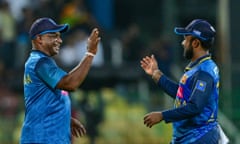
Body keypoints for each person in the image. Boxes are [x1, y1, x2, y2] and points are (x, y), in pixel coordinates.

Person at [20, 17, 100, 144]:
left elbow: (44, 101)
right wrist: (90, 53)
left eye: (59, 36)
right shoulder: (40, 63)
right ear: (39, 39)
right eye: (53, 36)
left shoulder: (40, 62)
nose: (59, 40)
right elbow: (70, 83)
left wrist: (64, 118)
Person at [141, 19, 220, 143]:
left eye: (186, 39)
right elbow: (183, 95)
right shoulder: (198, 68)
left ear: (195, 43)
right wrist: (157, 74)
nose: (183, 43)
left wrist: (163, 115)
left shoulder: (204, 72)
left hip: (198, 138)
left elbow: (195, 107)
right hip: (187, 137)